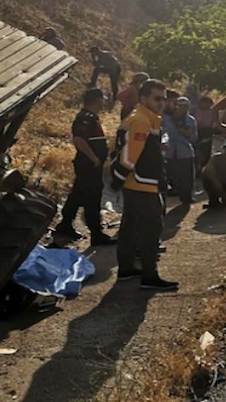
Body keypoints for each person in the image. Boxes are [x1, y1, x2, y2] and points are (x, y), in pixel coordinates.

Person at [110, 79, 178, 291]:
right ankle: (149, 275)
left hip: (138, 183)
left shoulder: (144, 118)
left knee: (129, 228)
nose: (161, 103)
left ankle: (126, 269)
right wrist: (118, 179)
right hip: (143, 184)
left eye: (164, 99)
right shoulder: (141, 120)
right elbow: (130, 156)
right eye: (157, 98)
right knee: (151, 229)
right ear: (143, 98)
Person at [54, 88, 117, 246]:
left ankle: (65, 225)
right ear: (96, 100)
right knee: (92, 198)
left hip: (89, 165)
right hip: (88, 165)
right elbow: (79, 140)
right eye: (102, 99)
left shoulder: (92, 117)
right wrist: (94, 158)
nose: (104, 102)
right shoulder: (85, 118)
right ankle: (96, 233)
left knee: (77, 195)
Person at [167, 96, 198, 203]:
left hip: (184, 152)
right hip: (168, 152)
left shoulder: (191, 120)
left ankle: (187, 197)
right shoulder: (165, 118)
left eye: (185, 106)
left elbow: (194, 137)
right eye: (180, 106)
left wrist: (188, 134)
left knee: (186, 177)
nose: (182, 109)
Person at [193, 96, 215, 172]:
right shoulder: (196, 110)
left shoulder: (213, 111)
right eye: (204, 103)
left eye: (208, 103)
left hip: (208, 132)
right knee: (197, 150)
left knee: (206, 152)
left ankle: (205, 169)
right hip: (197, 131)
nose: (205, 105)